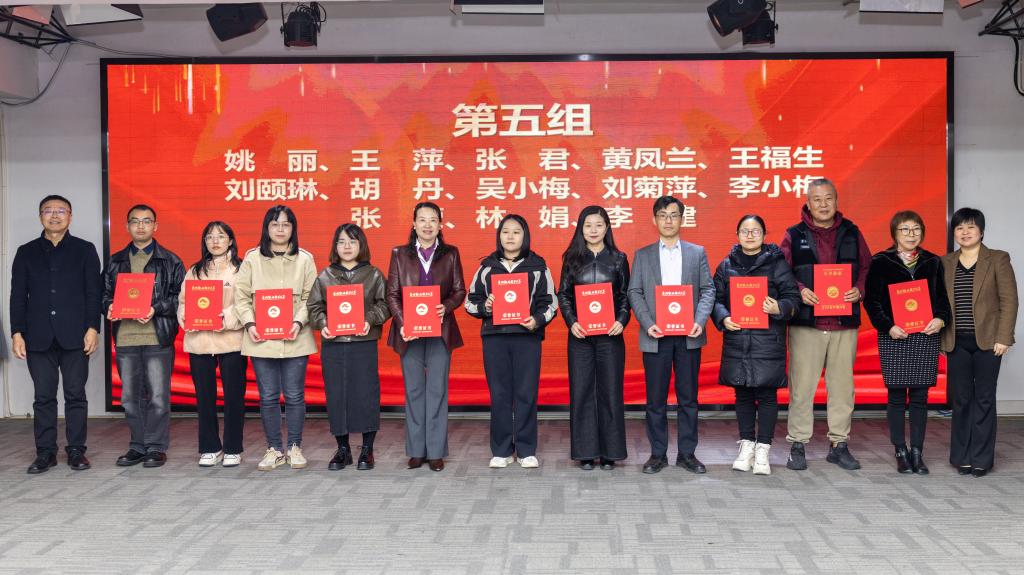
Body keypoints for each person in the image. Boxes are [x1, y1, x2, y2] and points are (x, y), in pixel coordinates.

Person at [780, 178, 871, 471]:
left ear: (836, 200)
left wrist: (860, 289)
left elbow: (867, 267)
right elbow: (781, 271)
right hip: (806, 324)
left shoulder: (852, 232)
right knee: (801, 388)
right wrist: (799, 290)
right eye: (817, 199)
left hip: (844, 324)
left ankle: (839, 444)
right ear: (808, 203)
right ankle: (798, 444)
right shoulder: (793, 235)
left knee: (842, 388)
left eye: (828, 198)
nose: (823, 204)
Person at [10, 195, 102, 474]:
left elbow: (93, 293)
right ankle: (45, 452)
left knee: (75, 395)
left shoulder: (85, 250)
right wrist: (17, 332)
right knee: (43, 397)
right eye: (48, 211)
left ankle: (76, 450)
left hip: (76, 336)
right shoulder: (26, 252)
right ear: (40, 217)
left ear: (70, 216)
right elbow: (17, 296)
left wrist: (93, 328)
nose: (54, 215)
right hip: (37, 337)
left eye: (61, 211)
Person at [629, 196, 715, 474]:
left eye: (674, 215)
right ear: (654, 220)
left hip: (689, 335)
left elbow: (708, 289)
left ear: (682, 219)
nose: (668, 220)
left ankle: (687, 454)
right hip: (655, 336)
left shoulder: (696, 253)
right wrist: (647, 323)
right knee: (655, 400)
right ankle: (658, 454)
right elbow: (634, 292)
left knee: (688, 398)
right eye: (663, 215)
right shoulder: (642, 255)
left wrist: (699, 321)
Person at [466, 214, 558, 469]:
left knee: (526, 393)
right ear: (499, 236)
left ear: (525, 236)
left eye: (516, 232)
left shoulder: (538, 267)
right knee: (499, 394)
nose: (510, 236)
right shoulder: (486, 267)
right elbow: (470, 302)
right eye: (505, 231)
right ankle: (502, 450)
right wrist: (485, 306)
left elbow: (551, 302)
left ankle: (527, 450)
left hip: (527, 338)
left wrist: (536, 320)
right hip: (495, 338)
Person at [711, 214, 801, 476]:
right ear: (737, 235)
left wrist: (779, 307)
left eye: (755, 231)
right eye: (745, 231)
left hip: (768, 341)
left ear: (764, 234)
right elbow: (715, 299)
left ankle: (763, 449)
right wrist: (723, 317)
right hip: (738, 339)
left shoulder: (777, 264)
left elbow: (793, 298)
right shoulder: (726, 265)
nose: (750, 236)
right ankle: (746, 445)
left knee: (767, 395)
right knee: (742, 394)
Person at [863, 211, 950, 474]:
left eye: (916, 229)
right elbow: (872, 302)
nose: (911, 235)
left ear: (922, 232)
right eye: (905, 230)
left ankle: (917, 452)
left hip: (925, 337)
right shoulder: (881, 261)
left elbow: (943, 300)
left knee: (921, 397)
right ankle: (900, 450)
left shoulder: (933, 261)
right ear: (894, 234)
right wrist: (888, 326)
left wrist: (940, 320)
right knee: (897, 396)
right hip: (894, 337)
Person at [234, 205, 317, 471]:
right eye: (275, 224)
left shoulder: (305, 259)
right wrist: (249, 323)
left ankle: (294, 447)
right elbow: (241, 296)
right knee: (268, 396)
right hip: (261, 337)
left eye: (285, 224)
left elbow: (311, 297)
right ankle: (273, 449)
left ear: (293, 229)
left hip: (295, 336)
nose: (280, 229)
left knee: (294, 395)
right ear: (266, 228)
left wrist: (298, 321)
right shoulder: (252, 258)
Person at [386, 202, 466, 472]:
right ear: (414, 224)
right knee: (414, 390)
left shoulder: (451, 253)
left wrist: (447, 306)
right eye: (422, 219)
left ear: (440, 225)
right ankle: (416, 451)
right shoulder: (399, 254)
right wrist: (403, 322)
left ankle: (435, 451)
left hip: (440, 331)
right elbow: (392, 294)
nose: (428, 225)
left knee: (437, 390)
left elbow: (459, 290)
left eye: (433, 220)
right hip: (408, 333)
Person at [103, 204, 185, 468]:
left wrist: (155, 308)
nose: (141, 226)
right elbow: (104, 295)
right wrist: (109, 306)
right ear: (127, 226)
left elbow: (181, 299)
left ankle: (156, 446)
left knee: (158, 397)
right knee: (129, 398)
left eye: (146, 221)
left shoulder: (170, 261)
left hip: (157, 338)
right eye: (135, 221)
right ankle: (138, 446)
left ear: (155, 226)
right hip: (126, 338)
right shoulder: (115, 261)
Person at [941, 207, 1018, 477]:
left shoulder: (997, 259)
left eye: (971, 227)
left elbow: (1009, 301)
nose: (965, 232)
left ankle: (982, 459)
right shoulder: (945, 262)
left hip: (989, 342)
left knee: (984, 399)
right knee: (961, 400)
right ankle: (961, 457)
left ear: (981, 231)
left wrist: (1004, 337)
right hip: (956, 342)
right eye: (959, 228)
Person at [308, 223, 390, 471]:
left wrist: (369, 320)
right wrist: (323, 324)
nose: (347, 246)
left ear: (361, 245)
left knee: (366, 395)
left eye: (352, 242)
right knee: (336, 396)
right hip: (334, 345)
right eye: (341, 241)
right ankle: (342, 449)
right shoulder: (325, 275)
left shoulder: (373, 274)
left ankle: (367, 448)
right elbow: (313, 307)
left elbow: (385, 304)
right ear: (335, 246)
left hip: (363, 344)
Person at [557, 206, 630, 471]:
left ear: (607, 228)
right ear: (581, 228)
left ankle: (611, 453)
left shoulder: (618, 259)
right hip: (581, 337)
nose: (593, 230)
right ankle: (586, 452)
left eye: (599, 225)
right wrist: (572, 322)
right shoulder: (571, 258)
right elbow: (563, 295)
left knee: (611, 391)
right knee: (582, 391)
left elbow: (625, 295)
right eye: (588, 225)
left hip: (610, 336)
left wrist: (621, 320)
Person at [176, 221, 247, 467]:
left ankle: (233, 448)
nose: (215, 241)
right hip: (200, 342)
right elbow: (183, 302)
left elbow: (246, 303)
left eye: (221, 236)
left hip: (232, 341)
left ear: (230, 240)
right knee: (204, 397)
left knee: (234, 397)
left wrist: (224, 318)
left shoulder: (241, 269)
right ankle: (210, 447)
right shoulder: (195, 271)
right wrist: (187, 318)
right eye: (209, 237)